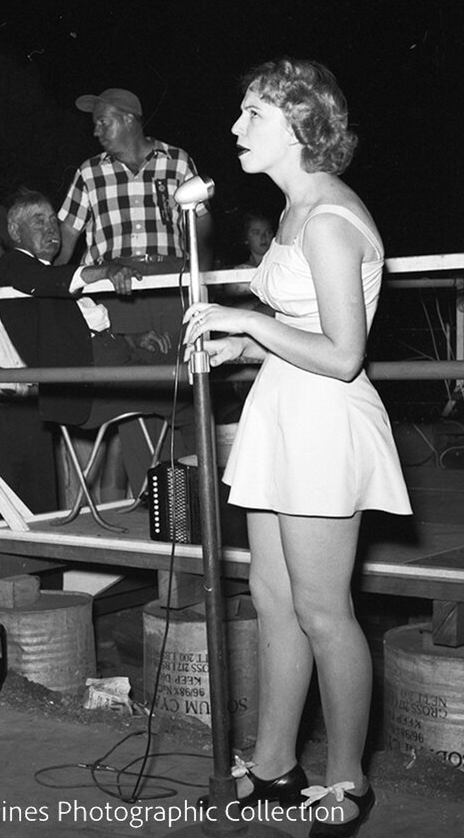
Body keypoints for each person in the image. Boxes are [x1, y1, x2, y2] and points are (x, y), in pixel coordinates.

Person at [183, 58, 412, 837]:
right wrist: (240, 352)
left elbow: (345, 352)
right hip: (282, 412)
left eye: (254, 115)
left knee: (323, 612)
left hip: (322, 423)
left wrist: (245, 322)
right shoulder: (293, 212)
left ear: (300, 126)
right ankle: (276, 763)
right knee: (275, 604)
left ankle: (349, 779)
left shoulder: (328, 219)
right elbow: (302, 333)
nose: (236, 128)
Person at [0, 188, 187, 498]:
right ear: (15, 232)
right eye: (38, 221)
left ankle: (173, 500)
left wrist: (132, 339)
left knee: (190, 378)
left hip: (110, 367)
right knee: (192, 395)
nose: (51, 229)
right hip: (88, 386)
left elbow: (76, 328)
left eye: (53, 222)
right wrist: (107, 270)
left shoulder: (50, 273)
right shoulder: (12, 265)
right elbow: (51, 283)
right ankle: (184, 502)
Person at [56, 87, 212, 338]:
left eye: (102, 122)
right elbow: (66, 235)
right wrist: (53, 286)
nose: (96, 131)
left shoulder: (177, 161)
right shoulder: (89, 172)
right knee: (122, 369)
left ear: (128, 119)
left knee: (180, 365)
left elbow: (201, 223)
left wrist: (200, 280)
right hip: (112, 283)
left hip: (171, 280)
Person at [0, 231, 59, 516]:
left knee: (43, 508)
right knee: (2, 511)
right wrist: (31, 382)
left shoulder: (29, 304)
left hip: (39, 416)